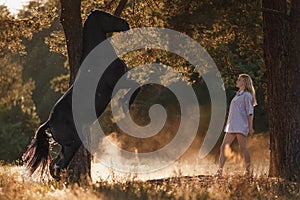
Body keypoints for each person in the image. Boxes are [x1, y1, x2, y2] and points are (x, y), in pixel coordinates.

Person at [216, 73, 257, 177]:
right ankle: (219, 171)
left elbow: (250, 112)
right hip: (232, 125)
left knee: (243, 148)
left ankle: (248, 172)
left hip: (241, 125)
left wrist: (250, 127)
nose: (237, 81)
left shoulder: (247, 96)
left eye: (239, 80)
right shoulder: (238, 94)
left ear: (244, 82)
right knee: (224, 147)